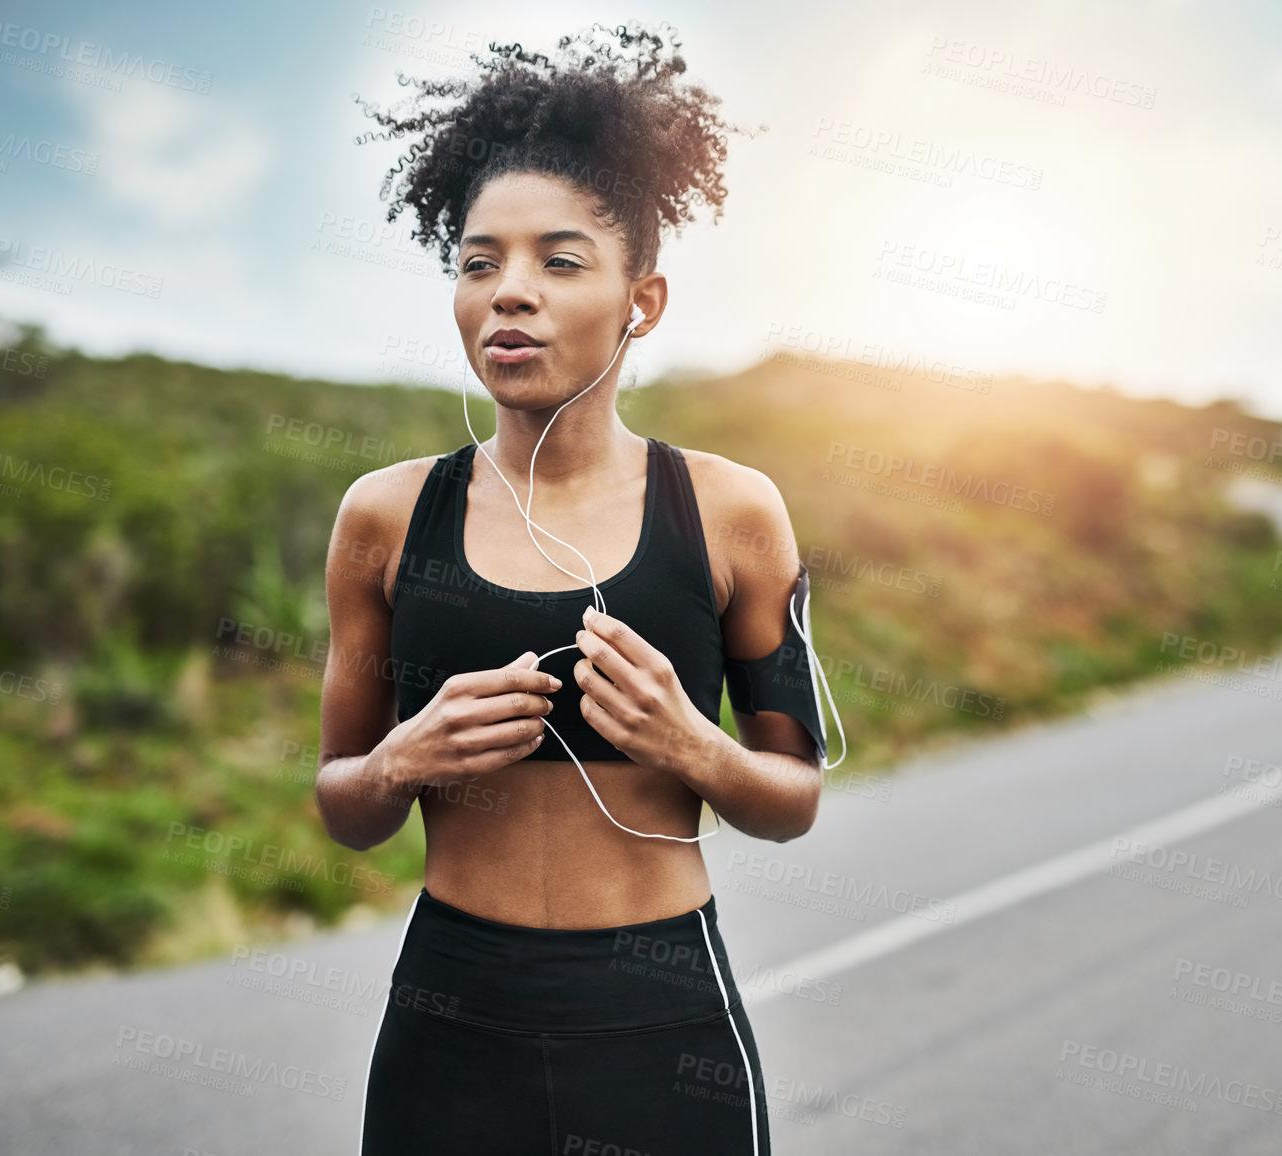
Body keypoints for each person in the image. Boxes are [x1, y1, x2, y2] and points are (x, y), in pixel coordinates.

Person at [316, 25, 839, 1154]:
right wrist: (406, 757)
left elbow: (789, 797)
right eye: (477, 261)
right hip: (449, 1014)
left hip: (658, 1020)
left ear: (640, 300)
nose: (510, 293)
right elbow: (342, 803)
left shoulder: (730, 509)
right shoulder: (385, 517)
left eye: (558, 261)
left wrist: (688, 744)